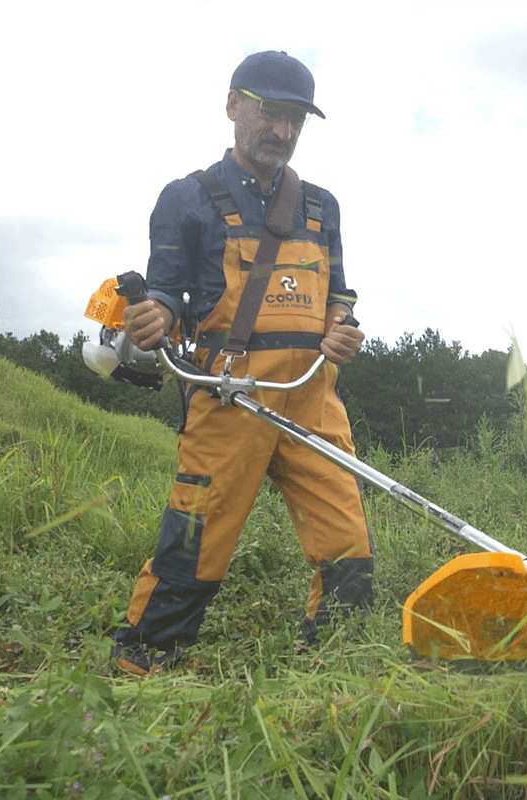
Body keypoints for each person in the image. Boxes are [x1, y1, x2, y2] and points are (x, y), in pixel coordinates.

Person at [112, 51, 372, 675]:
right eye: (269, 112)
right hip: (230, 397)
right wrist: (155, 319)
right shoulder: (188, 198)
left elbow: (339, 296)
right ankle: (143, 663)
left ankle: (337, 665)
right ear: (233, 105)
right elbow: (166, 294)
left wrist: (341, 329)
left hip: (312, 397)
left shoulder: (321, 206)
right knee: (197, 541)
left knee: (347, 542)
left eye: (294, 120)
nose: (281, 131)